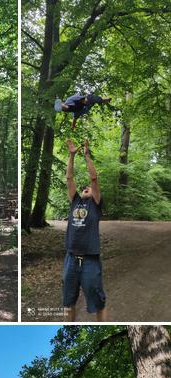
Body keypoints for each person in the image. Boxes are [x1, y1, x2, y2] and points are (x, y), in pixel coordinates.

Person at [63, 138, 107, 322]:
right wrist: (72, 156)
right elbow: (69, 178)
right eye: (84, 189)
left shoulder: (95, 205)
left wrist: (87, 155)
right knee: (68, 302)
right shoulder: (75, 201)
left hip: (90, 260)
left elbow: (94, 178)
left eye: (88, 188)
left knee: (98, 302)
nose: (86, 188)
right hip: (71, 258)